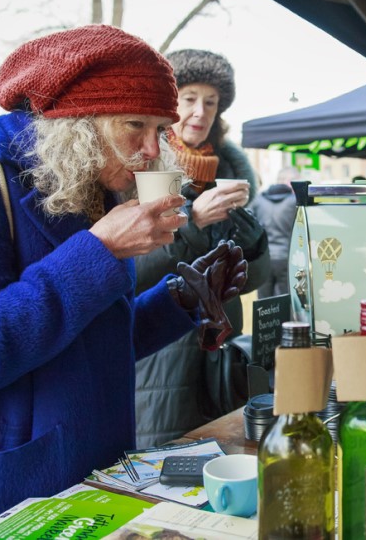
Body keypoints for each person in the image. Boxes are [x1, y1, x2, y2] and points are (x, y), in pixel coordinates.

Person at [0, 25, 247, 538]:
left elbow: (91, 341)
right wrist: (100, 251)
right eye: (133, 125)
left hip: (80, 485)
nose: (150, 149)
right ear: (76, 123)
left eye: (160, 128)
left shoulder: (92, 188)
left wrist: (181, 300)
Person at [134, 49, 269, 448]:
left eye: (211, 102)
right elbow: (132, 271)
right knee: (165, 469)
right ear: (169, 104)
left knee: (223, 457)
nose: (200, 111)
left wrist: (251, 239)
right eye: (189, 98)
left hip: (222, 356)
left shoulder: (230, 174)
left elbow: (251, 282)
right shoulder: (143, 165)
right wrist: (192, 222)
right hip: (163, 358)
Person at [249, 166, 300, 299]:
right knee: (284, 300)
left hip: (264, 258)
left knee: (264, 301)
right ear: (288, 180)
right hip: (286, 258)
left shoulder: (258, 200)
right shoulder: (294, 202)